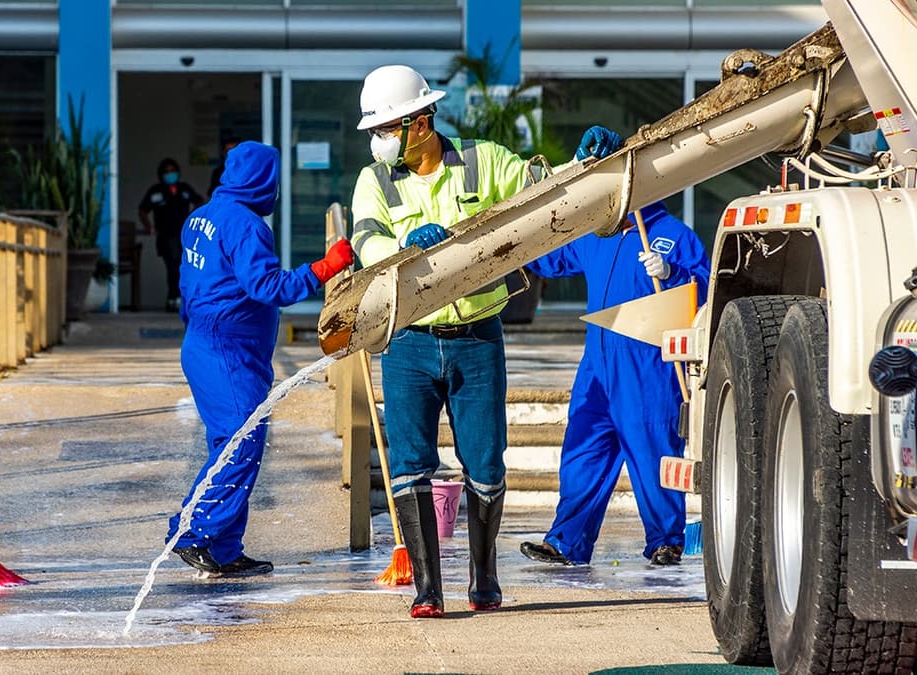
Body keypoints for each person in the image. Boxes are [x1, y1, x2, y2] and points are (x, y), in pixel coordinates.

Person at [350, 64, 623, 618]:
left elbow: (542, 193)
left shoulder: (484, 160)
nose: (379, 141)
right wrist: (407, 244)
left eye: (386, 128)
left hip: (478, 336)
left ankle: (484, 576)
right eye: (376, 131)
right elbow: (366, 240)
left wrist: (589, 162)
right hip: (409, 342)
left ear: (421, 122)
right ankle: (427, 588)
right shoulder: (372, 182)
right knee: (408, 463)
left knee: (486, 462)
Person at [167, 141, 353, 577]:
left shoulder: (201, 218)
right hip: (229, 353)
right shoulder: (246, 226)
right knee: (240, 446)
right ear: (263, 181)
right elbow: (269, 288)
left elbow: (191, 283)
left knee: (227, 444)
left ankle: (226, 548)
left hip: (204, 343)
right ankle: (193, 532)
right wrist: (326, 267)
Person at [519, 201, 710, 567]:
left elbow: (705, 290)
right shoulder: (596, 234)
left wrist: (672, 273)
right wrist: (515, 246)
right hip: (597, 367)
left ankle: (665, 540)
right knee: (582, 453)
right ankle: (566, 540)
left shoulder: (674, 234)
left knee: (652, 453)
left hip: (648, 367)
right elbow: (553, 258)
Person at [139, 157, 204, 311]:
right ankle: (173, 297)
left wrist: (194, 220)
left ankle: (180, 298)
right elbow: (143, 209)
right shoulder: (156, 191)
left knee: (183, 267)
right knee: (172, 266)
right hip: (166, 235)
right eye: (166, 172)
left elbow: (199, 202)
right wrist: (149, 227)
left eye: (173, 171)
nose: (170, 174)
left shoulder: (184, 189)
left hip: (184, 235)